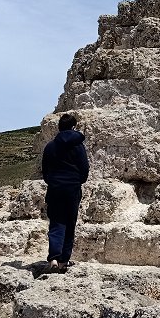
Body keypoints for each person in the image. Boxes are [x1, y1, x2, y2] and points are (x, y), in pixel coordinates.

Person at [41, 113, 89, 272]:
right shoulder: (78, 146)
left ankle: (53, 258)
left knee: (56, 223)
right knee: (69, 224)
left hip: (54, 189)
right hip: (72, 190)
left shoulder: (50, 146)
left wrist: (53, 182)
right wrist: (76, 181)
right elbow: (84, 170)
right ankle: (64, 261)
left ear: (59, 128)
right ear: (74, 127)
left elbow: (45, 171)